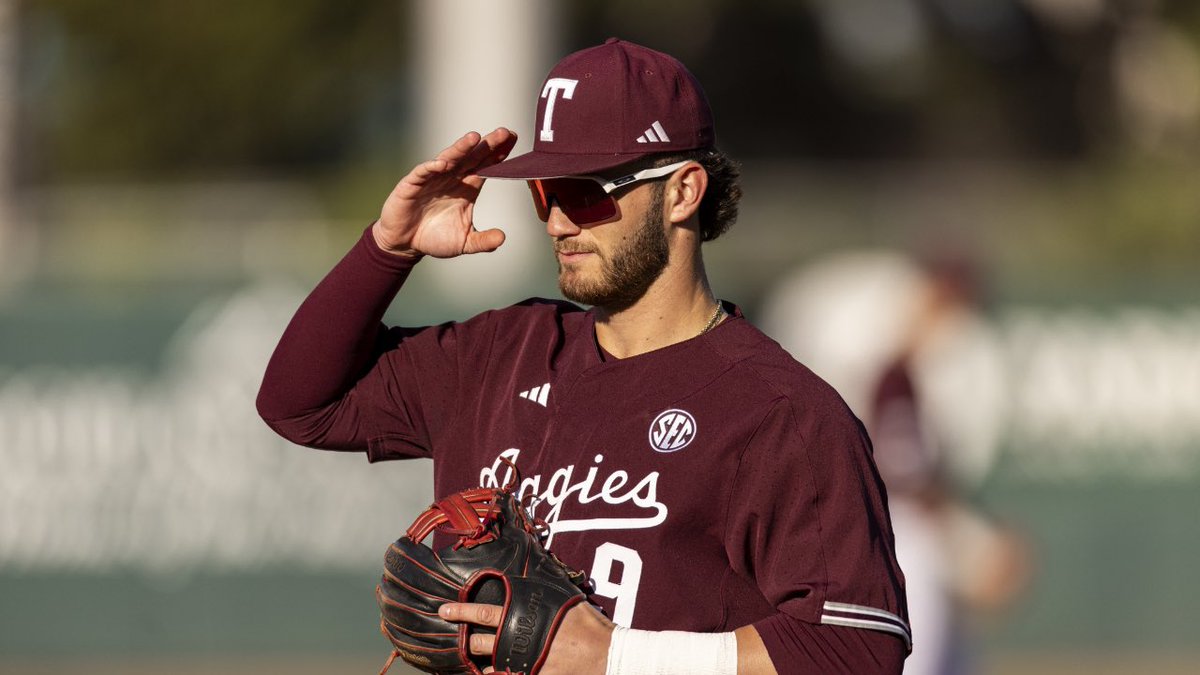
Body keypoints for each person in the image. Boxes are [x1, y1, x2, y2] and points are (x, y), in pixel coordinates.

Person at [257, 38, 909, 675]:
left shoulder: (783, 414)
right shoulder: (499, 355)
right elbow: (300, 403)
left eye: (586, 191)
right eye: (545, 191)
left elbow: (857, 653)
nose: (560, 221)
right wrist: (389, 247)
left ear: (683, 191)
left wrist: (616, 658)